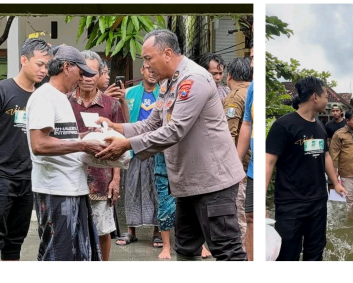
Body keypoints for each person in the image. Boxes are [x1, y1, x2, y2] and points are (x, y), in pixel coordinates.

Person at [98, 29, 247, 259]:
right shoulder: (169, 83)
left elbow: (174, 130)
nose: (147, 66)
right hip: (188, 184)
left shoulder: (193, 80)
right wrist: (115, 127)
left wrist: (127, 144)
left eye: (148, 59)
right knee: (186, 247)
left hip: (214, 183)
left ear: (167, 53)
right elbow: (151, 124)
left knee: (227, 251)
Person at [26, 45, 106, 260]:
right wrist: (82, 146)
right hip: (56, 190)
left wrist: (86, 137)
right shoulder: (45, 96)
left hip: (73, 188)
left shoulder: (62, 97)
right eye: (80, 72)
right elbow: (39, 144)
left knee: (78, 255)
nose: (82, 78)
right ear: (66, 67)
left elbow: (60, 138)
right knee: (58, 256)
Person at [265, 76, 346, 261]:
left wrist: (335, 183)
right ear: (315, 97)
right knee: (288, 255)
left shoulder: (319, 126)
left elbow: (325, 155)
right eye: (326, 95)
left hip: (318, 201)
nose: (328, 100)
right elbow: (268, 162)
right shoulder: (283, 126)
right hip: (290, 203)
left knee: (315, 252)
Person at [0, 37, 52, 260]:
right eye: (39, 64)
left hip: (29, 179)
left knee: (15, 242)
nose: (43, 70)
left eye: (47, 66)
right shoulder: (0, 91)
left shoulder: (43, 96)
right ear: (23, 60)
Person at [68, 52, 123, 261]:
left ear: (100, 74)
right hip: (71, 177)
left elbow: (120, 143)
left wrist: (116, 179)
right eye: (84, 72)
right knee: (72, 230)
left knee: (102, 230)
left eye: (93, 73)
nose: (88, 78)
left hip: (102, 179)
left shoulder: (111, 105)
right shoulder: (65, 101)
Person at [118, 63, 161, 248]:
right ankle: (131, 231)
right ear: (142, 70)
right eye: (148, 69)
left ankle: (158, 232)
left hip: (158, 149)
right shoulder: (129, 93)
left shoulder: (165, 92)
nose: (151, 73)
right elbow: (125, 122)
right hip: (134, 148)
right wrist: (121, 102)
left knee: (157, 190)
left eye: (154, 70)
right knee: (131, 189)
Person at [222, 58, 253, 255]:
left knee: (241, 217)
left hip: (240, 166)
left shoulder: (234, 97)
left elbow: (229, 135)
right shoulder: (252, 90)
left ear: (229, 75)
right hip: (251, 165)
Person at [237, 79, 253, 260]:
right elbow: (243, 127)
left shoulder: (236, 95)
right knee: (247, 217)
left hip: (247, 166)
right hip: (245, 167)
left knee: (245, 217)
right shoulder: (251, 89)